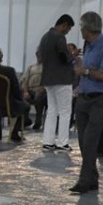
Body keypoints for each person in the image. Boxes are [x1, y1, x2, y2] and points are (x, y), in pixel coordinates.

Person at [68, 11, 103, 195]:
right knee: (82, 140)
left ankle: (84, 180)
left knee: (89, 140)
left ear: (88, 28)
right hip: (84, 96)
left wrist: (85, 72)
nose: (80, 30)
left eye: (81, 26)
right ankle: (92, 178)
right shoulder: (87, 45)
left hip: (100, 98)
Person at [39, 14, 76, 152]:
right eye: (68, 29)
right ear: (64, 25)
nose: (67, 31)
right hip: (62, 79)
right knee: (65, 111)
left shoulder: (45, 37)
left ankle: (48, 142)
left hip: (48, 79)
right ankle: (62, 143)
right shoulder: (59, 37)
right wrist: (73, 55)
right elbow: (64, 57)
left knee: (52, 111)